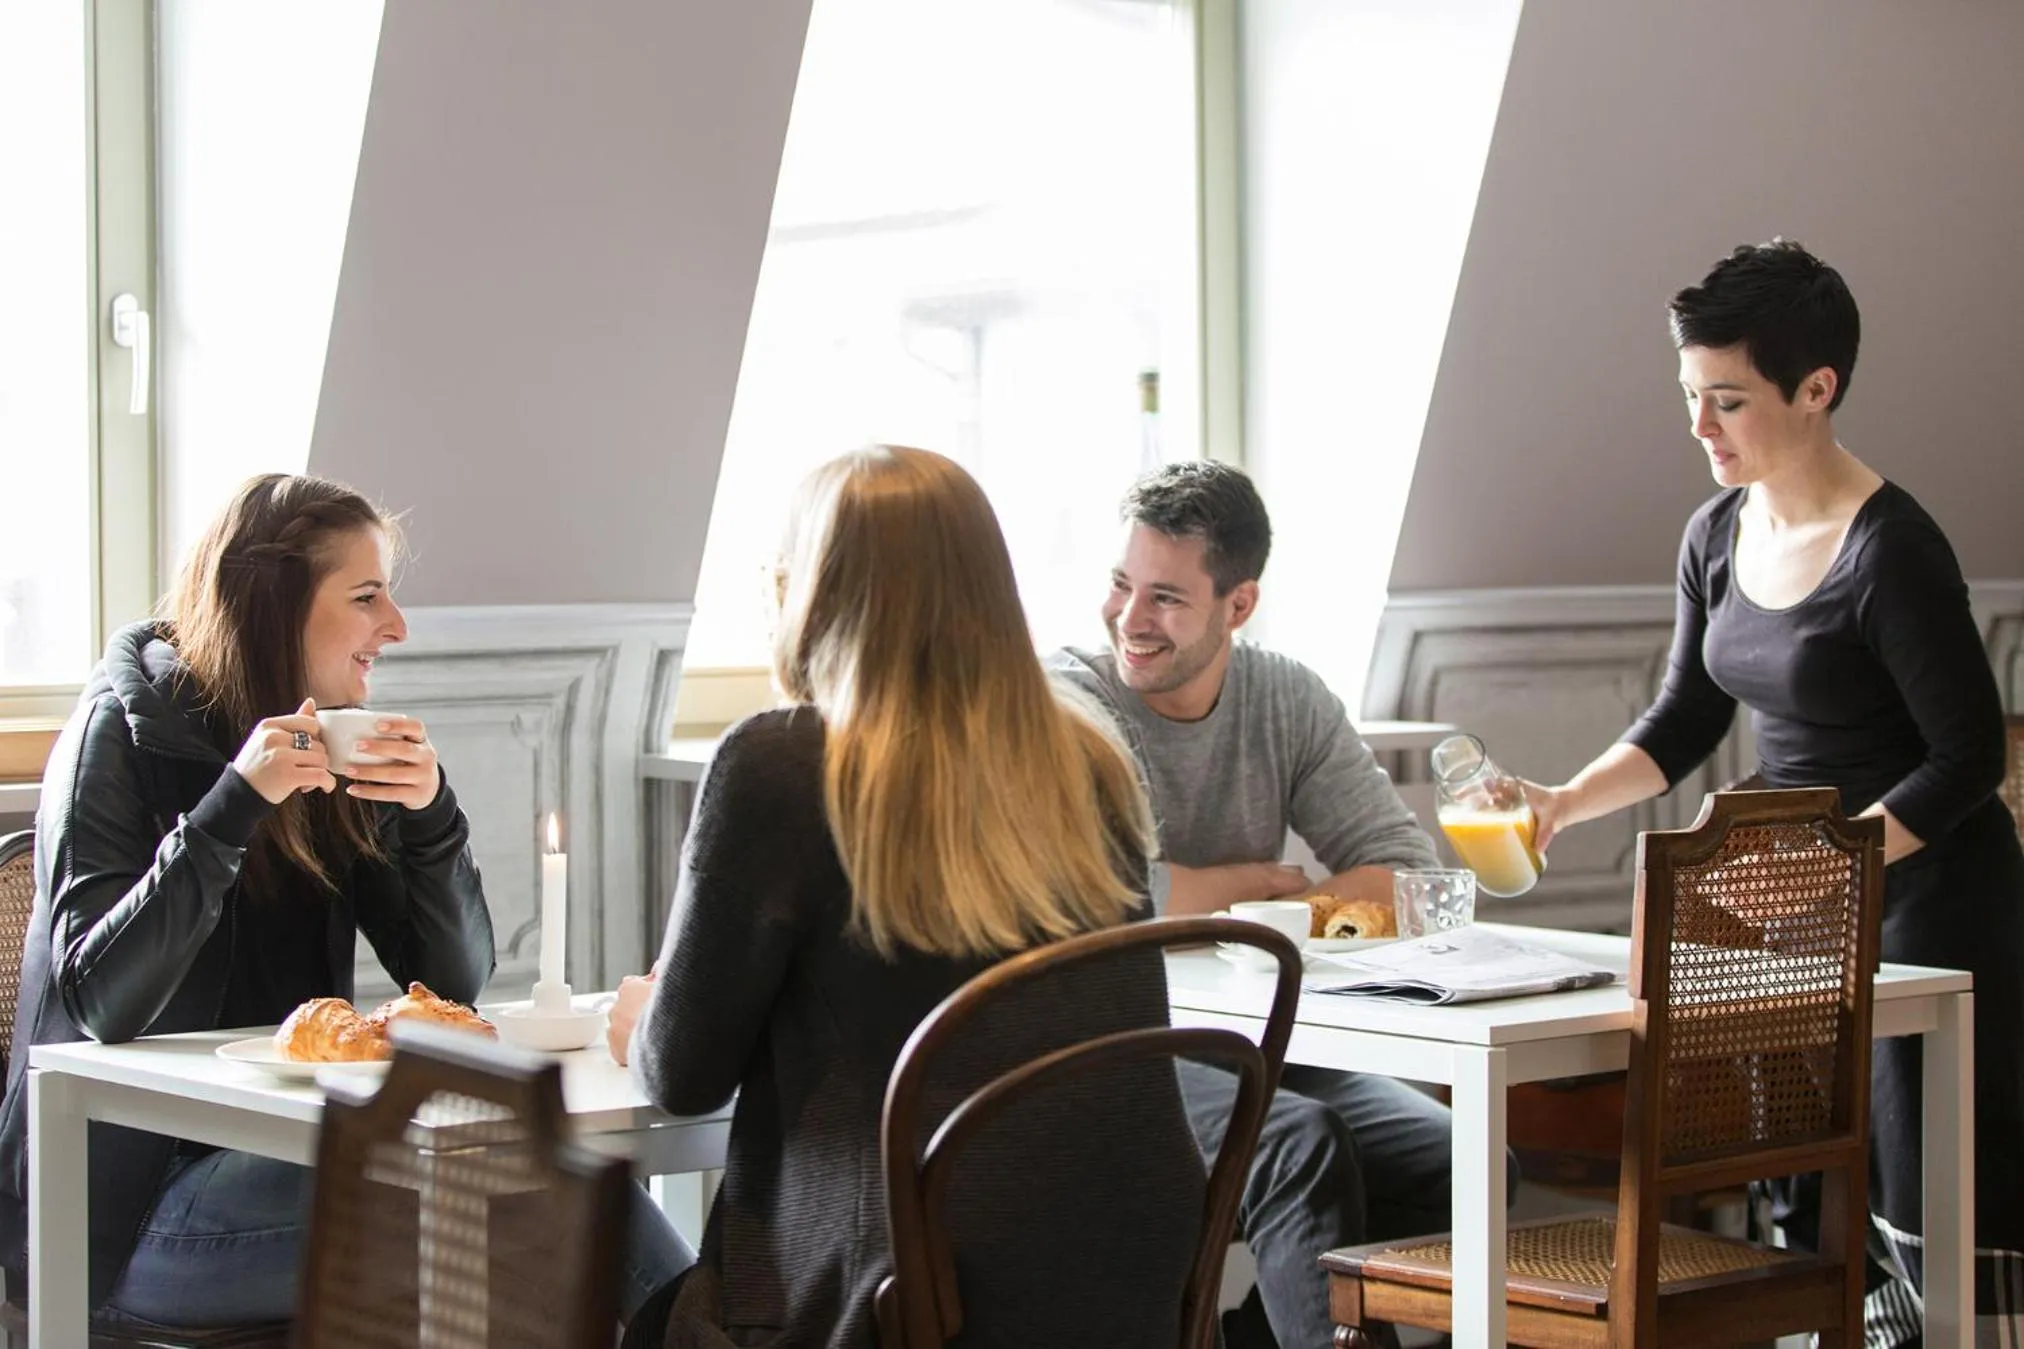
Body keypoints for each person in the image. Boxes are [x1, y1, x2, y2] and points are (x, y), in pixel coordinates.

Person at [0, 473, 689, 1327]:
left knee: (569, 1183)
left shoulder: (333, 736)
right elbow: (99, 1003)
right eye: (366, 597)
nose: (394, 627)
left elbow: (452, 981)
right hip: (125, 1220)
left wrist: (429, 815)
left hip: (282, 1149)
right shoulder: (117, 733)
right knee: (531, 1199)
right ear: (271, 608)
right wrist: (231, 809)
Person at [1523, 239, 2024, 1348]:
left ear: (1815, 389)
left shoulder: (1894, 550)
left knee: (1922, 1188)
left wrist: (1824, 863)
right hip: (1799, 902)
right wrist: (1560, 801)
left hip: (1929, 904)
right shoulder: (1714, 530)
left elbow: (1965, 760)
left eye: (1726, 401)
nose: (1699, 427)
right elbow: (1682, 720)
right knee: (1799, 1184)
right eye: (1689, 398)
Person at [609, 445, 1210, 1349]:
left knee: (608, 1252)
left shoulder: (782, 766)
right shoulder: (1088, 761)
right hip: (1127, 1272)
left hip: (904, 1294)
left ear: (806, 594)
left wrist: (646, 1018)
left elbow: (684, 1074)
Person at [1049, 460, 1499, 1349]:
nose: (1131, 620)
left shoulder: (1285, 696)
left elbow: (1405, 874)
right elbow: (1116, 899)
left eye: (1167, 598)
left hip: (1266, 1039)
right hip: (1105, 1046)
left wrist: (1265, 911)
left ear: (1239, 605)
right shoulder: (1072, 702)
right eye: (1119, 585)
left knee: (1471, 1165)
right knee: (1304, 1147)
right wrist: (1258, 882)